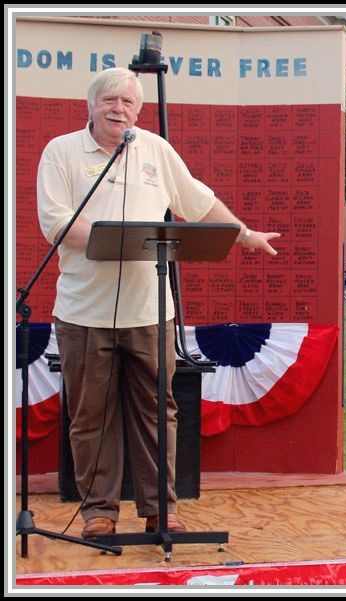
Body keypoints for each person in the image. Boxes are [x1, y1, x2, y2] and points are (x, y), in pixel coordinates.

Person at [37, 67, 280, 539]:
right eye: (110, 100)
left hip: (150, 312)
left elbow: (199, 202)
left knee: (157, 412)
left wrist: (244, 235)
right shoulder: (61, 152)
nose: (119, 109)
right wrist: (126, 239)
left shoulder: (155, 150)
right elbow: (55, 222)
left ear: (138, 111)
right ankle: (99, 513)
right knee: (91, 416)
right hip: (83, 313)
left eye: (129, 103)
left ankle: (160, 511)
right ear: (91, 104)